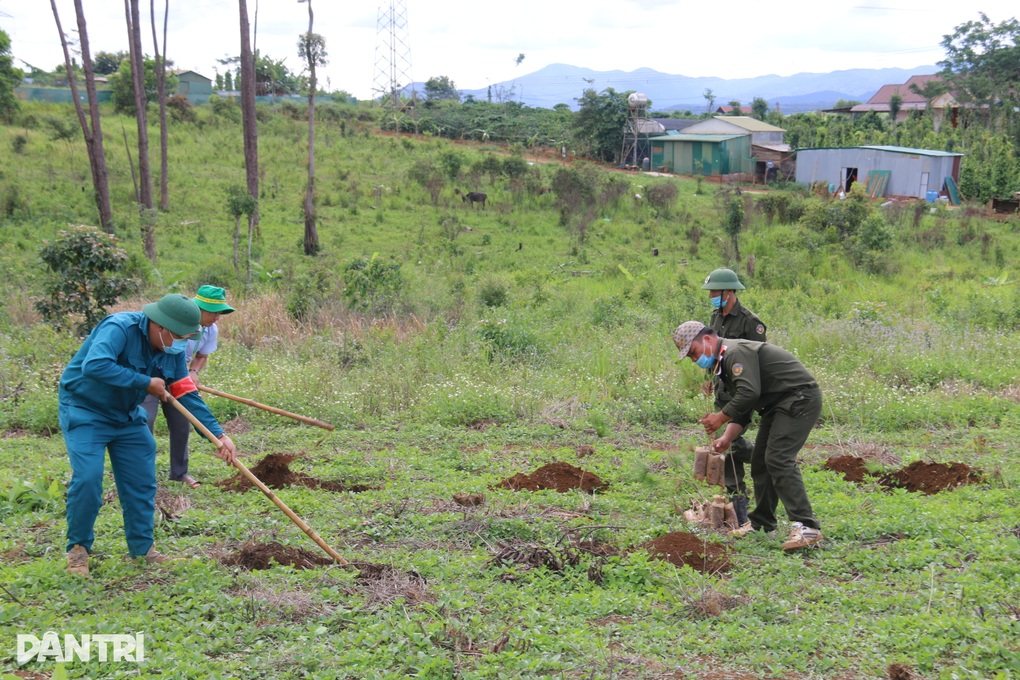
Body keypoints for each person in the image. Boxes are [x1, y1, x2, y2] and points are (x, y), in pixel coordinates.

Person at [60, 294, 238, 577]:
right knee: (88, 478)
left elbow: (183, 390)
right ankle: (78, 550)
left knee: (141, 481)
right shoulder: (119, 328)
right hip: (86, 410)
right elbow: (94, 365)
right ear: (159, 326)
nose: (180, 343)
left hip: (128, 415)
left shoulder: (171, 347)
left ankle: (143, 551)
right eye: (178, 336)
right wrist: (145, 382)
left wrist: (218, 434)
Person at [673, 320, 823, 551]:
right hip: (776, 406)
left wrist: (720, 417)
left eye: (694, 352)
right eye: (691, 357)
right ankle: (762, 524)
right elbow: (743, 407)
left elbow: (749, 393)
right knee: (761, 461)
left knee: (778, 458)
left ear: (707, 339)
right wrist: (727, 438)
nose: (695, 360)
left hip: (798, 399)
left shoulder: (734, 353)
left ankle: (807, 526)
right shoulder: (723, 363)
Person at [142, 285, 235, 489]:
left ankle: (179, 473)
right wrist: (146, 382)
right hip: (148, 379)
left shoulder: (205, 332)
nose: (217, 317)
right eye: (213, 311)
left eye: (220, 312)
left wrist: (219, 436)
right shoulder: (161, 325)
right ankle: (142, 475)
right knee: (144, 421)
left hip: (176, 374)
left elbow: (200, 358)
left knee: (182, 421)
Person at [701, 267, 767, 528]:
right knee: (727, 446)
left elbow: (760, 359)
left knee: (730, 443)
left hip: (743, 393)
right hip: (723, 390)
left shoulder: (751, 322)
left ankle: (766, 460)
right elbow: (713, 349)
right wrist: (708, 377)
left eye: (715, 292)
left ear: (729, 291)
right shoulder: (716, 317)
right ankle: (738, 503)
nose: (711, 297)